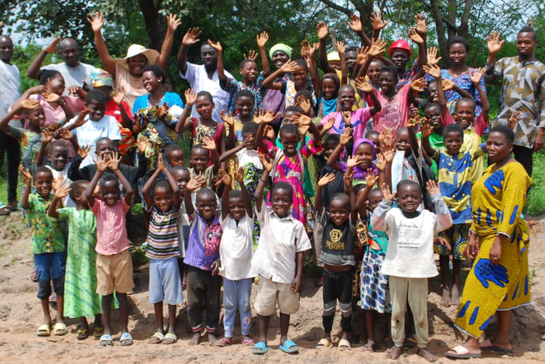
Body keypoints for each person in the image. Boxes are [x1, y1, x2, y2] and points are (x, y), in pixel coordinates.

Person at [446, 126, 532, 359]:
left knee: (478, 285)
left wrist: (499, 241)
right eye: (489, 143)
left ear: (510, 147)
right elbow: (483, 204)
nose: (491, 148)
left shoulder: (516, 171)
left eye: (498, 144)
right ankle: (502, 341)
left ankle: (472, 342)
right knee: (503, 290)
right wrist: (474, 233)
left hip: (504, 237)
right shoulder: (493, 168)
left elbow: (512, 208)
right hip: (486, 234)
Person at [374, 180, 452, 362]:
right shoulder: (392, 215)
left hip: (420, 271)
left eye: (414, 196)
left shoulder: (428, 217)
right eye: (405, 197)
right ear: (398, 199)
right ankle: (398, 344)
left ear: (421, 198)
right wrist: (385, 202)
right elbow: (377, 224)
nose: (410, 200)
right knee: (398, 311)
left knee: (419, 311)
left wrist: (438, 198)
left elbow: (446, 222)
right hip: (397, 270)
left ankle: (422, 345)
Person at [251, 158, 311, 355]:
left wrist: (299, 275)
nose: (280, 203)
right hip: (268, 273)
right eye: (276, 199)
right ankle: (262, 340)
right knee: (264, 308)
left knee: (286, 308)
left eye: (285, 199)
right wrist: (267, 173)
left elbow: (301, 251)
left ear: (291, 201)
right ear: (271, 201)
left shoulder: (296, 225)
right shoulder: (266, 217)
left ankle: (284, 338)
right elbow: (257, 195)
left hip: (287, 274)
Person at [420, 122, 485, 307]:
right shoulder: (441, 155)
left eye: (457, 140)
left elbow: (488, 146)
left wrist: (508, 127)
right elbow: (428, 150)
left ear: (463, 141)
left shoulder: (469, 155)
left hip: (463, 212)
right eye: (450, 140)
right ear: (445, 142)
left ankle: (457, 285)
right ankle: (445, 286)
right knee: (442, 251)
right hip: (443, 211)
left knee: (459, 251)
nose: (454, 144)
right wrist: (425, 137)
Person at [85, 153, 135, 347]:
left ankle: (124, 330)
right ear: (101, 194)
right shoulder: (98, 207)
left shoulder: (122, 206)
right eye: (106, 193)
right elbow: (88, 194)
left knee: (122, 295)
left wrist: (116, 170)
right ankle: (107, 331)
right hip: (103, 257)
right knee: (105, 295)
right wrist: (98, 172)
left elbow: (130, 190)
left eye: (114, 192)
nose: (111, 196)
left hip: (122, 255)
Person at [484, 27, 545, 176]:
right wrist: (492, 55)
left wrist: (541, 132)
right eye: (519, 42)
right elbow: (488, 78)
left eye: (527, 42)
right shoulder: (506, 62)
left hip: (526, 128)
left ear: (535, 43)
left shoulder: (541, 69)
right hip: (502, 124)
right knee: (493, 168)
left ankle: (518, 199)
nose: (522, 45)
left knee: (523, 171)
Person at [48, 180, 103, 340]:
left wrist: (97, 193)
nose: (92, 193)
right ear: (78, 197)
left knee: (96, 289)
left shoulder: (95, 211)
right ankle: (83, 323)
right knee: (78, 290)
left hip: (94, 260)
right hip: (76, 263)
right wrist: (56, 198)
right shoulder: (71, 212)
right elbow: (52, 214)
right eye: (88, 192)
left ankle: (98, 321)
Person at [88, 12, 181, 108]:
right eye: (133, 60)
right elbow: (104, 55)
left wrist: (170, 31)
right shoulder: (119, 71)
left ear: (146, 62)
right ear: (127, 62)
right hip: (124, 120)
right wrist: (97, 32)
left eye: (141, 60)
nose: (137, 64)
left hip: (148, 120)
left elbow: (164, 56)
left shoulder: (151, 75)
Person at [20, 166, 66, 337]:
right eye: (40, 182)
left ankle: (60, 318)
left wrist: (57, 192)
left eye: (48, 181)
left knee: (59, 282)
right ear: (35, 184)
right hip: (40, 250)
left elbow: (59, 213)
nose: (44, 185)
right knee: (44, 283)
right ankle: (47, 319)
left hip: (58, 247)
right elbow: (24, 204)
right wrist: (28, 182)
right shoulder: (32, 199)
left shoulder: (56, 196)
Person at [142, 154, 183, 345]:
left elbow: (175, 190)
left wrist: (166, 171)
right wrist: (157, 170)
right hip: (154, 260)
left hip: (170, 260)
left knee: (172, 296)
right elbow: (144, 190)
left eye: (166, 198)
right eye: (158, 199)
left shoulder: (174, 210)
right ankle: (159, 329)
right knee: (157, 296)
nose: (163, 201)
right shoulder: (153, 211)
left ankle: (172, 329)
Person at [314, 172, 357, 350]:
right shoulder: (326, 221)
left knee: (346, 307)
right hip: (328, 274)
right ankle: (327, 335)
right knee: (328, 307)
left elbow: (354, 208)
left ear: (347, 213)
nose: (337, 215)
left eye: (342, 212)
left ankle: (345, 335)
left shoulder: (351, 225)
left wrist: (349, 186)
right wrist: (320, 188)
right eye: (334, 211)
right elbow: (318, 207)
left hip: (346, 275)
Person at [215, 168, 256, 347]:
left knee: (245, 304)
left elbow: (248, 204)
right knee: (230, 304)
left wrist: (240, 183)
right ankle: (228, 334)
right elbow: (224, 205)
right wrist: (227, 185)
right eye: (233, 207)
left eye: (240, 206)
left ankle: (246, 334)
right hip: (229, 272)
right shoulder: (225, 221)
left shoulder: (248, 220)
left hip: (246, 271)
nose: (237, 209)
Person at [183, 181, 223, 345]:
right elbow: (187, 205)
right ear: (197, 206)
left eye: (211, 204)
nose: (207, 208)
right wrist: (187, 191)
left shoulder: (220, 221)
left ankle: (212, 331)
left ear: (216, 205)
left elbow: (223, 245)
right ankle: (196, 331)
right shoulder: (194, 219)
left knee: (213, 301)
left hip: (213, 270)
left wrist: (220, 260)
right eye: (203, 205)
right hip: (194, 269)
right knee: (194, 302)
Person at [177, 27, 234, 122]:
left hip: (220, 130)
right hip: (197, 128)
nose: (207, 56)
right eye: (204, 54)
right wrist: (184, 46)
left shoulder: (228, 77)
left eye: (211, 53)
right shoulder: (196, 71)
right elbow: (181, 65)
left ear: (218, 54)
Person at [132, 65, 184, 166]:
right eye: (143, 80)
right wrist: (140, 126)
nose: (145, 82)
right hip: (146, 151)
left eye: (148, 79)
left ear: (159, 78)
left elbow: (179, 127)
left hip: (170, 151)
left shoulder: (173, 98)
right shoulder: (139, 101)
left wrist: (163, 117)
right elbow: (134, 129)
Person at [212, 32, 270, 113]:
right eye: (249, 69)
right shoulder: (235, 86)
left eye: (255, 69)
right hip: (236, 123)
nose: (253, 71)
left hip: (255, 123)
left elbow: (266, 72)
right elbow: (222, 76)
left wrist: (262, 48)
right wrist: (219, 54)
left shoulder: (258, 86)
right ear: (241, 71)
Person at [65, 90, 122, 168]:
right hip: (83, 168)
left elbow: (114, 148)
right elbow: (56, 135)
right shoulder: (80, 119)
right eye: (95, 108)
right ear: (86, 106)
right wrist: (74, 125)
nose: (99, 112)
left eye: (102, 109)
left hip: (104, 167)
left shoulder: (110, 121)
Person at [27, 37, 97, 92]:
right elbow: (31, 74)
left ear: (78, 50)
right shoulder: (54, 70)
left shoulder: (90, 70)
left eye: (73, 50)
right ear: (61, 54)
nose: (71, 54)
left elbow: (100, 94)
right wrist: (45, 52)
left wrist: (87, 92)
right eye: (67, 52)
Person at [0, 35, 21, 214]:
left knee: (14, 162)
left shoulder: (14, 69)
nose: (7, 50)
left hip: (15, 124)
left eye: (9, 47)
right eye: (2, 47)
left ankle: (12, 199)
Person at [262, 43, 293, 120]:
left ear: (289, 58)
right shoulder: (272, 78)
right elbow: (266, 76)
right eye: (275, 56)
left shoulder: (293, 77)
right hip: (268, 119)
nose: (278, 57)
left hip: (287, 119)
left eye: (282, 54)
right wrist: (262, 48)